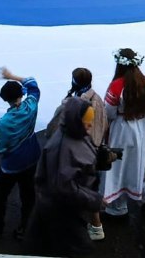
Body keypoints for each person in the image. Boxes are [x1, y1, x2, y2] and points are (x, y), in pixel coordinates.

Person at [24, 97, 111, 257]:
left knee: (48, 246)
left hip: (63, 207)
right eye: (87, 121)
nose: (91, 124)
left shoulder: (75, 132)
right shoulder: (61, 147)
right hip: (59, 209)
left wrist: (102, 158)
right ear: (77, 120)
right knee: (78, 248)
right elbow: (64, 187)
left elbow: (82, 157)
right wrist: (95, 200)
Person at [0, 68, 41, 240]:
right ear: (22, 94)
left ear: (5, 99)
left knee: (0, 194)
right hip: (32, 157)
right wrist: (12, 76)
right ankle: (26, 227)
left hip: (12, 165)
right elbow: (32, 83)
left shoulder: (4, 122)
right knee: (28, 194)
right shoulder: (31, 105)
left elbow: (0, 148)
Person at [46, 67, 107, 241]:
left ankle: (69, 229)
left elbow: (53, 128)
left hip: (74, 153)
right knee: (90, 187)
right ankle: (96, 226)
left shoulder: (71, 104)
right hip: (93, 150)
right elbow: (103, 123)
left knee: (69, 189)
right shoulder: (97, 99)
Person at [102, 48, 145, 216]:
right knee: (136, 162)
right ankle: (140, 191)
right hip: (140, 127)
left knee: (118, 165)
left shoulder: (117, 85)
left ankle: (117, 205)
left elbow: (108, 112)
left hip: (121, 128)